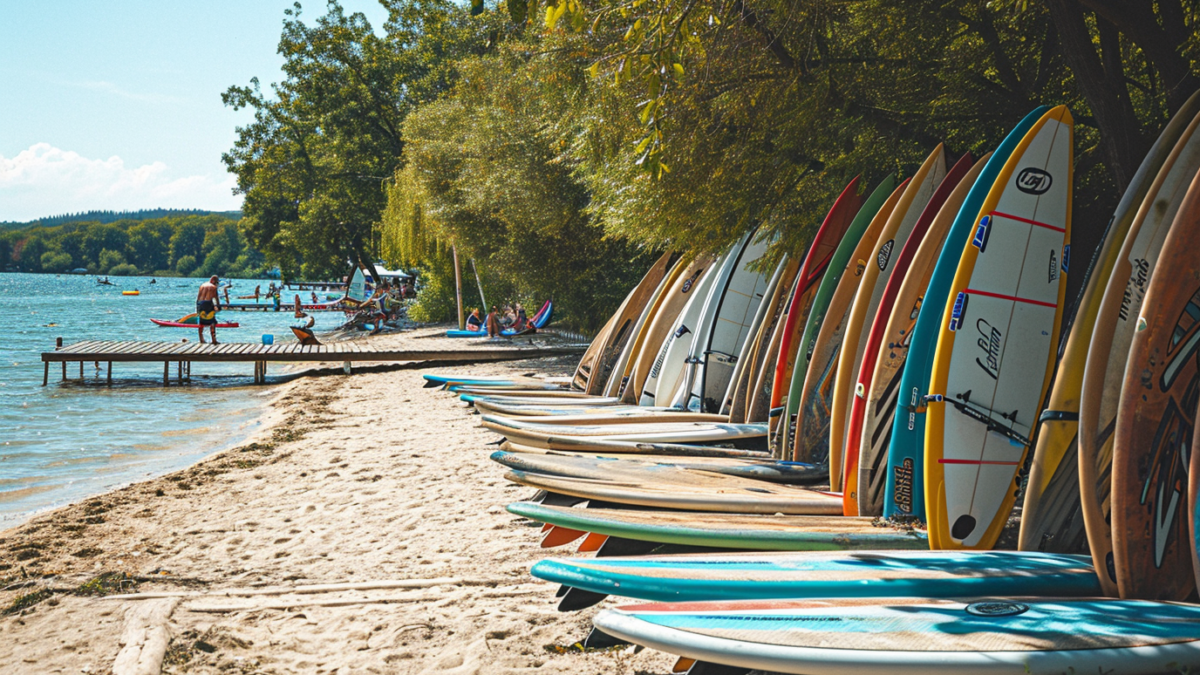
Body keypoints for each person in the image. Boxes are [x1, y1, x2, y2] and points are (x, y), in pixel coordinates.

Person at [196, 275, 222, 344]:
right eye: (216, 282)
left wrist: (197, 308)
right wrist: (218, 307)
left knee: (201, 321)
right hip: (208, 303)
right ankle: (213, 339)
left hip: (200, 303)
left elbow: (198, 297)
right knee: (212, 321)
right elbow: (216, 298)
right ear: (213, 280)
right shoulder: (213, 287)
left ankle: (201, 339)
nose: (216, 284)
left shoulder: (202, 285)